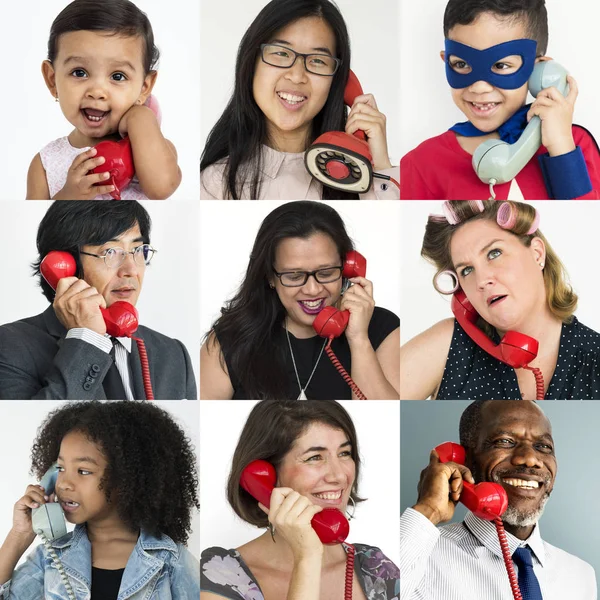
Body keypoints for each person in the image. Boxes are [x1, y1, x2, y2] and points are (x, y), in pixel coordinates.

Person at [400, 200, 600, 400]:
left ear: (537, 253)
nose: (482, 280)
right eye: (467, 270)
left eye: (494, 253)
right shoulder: (448, 344)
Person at [400, 0, 600, 200]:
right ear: (446, 61)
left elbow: (588, 228)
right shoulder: (422, 163)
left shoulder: (575, 145)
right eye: (461, 63)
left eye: (501, 66)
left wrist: (562, 149)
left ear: (538, 70)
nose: (479, 87)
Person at [200, 0, 398, 200]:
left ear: (336, 80)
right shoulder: (214, 183)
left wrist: (379, 165)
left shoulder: (362, 180)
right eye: (281, 53)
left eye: (318, 60)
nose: (296, 76)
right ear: (251, 62)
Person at [200, 201, 399, 400]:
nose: (312, 290)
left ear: (347, 268)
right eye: (294, 276)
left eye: (326, 272)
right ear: (270, 276)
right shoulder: (228, 340)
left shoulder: (382, 328)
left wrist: (359, 339)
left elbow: (384, 420)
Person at [0, 401, 199, 599]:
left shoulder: (171, 560)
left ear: (127, 478)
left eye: (83, 471)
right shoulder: (51, 557)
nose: (64, 484)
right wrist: (19, 534)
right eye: (60, 469)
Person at [201, 400, 399, 599]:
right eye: (315, 457)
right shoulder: (219, 577)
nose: (338, 476)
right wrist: (307, 557)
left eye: (344, 453)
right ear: (267, 473)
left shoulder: (377, 569)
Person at [400, 399, 597, 599]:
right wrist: (428, 509)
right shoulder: (419, 558)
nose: (530, 459)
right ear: (463, 460)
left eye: (543, 446)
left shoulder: (581, 575)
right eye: (505, 441)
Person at [0, 201, 196, 400]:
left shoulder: (173, 353)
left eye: (138, 250)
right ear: (67, 265)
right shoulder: (10, 346)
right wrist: (87, 339)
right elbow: (37, 425)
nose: (131, 270)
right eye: (110, 252)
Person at [27, 0, 181, 200]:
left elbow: (161, 188)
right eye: (79, 72)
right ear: (52, 80)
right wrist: (67, 197)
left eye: (118, 76)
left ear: (145, 87)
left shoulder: (152, 146)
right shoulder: (45, 164)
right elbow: (41, 219)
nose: (97, 92)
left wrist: (140, 118)